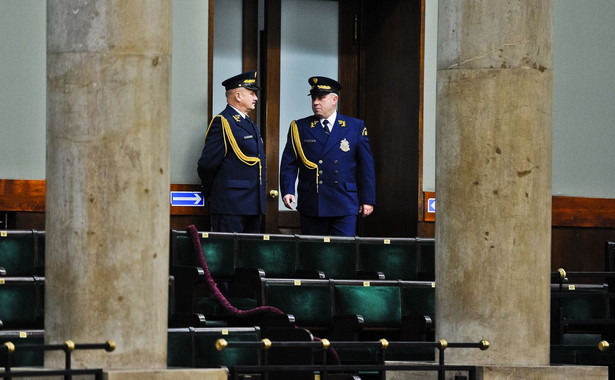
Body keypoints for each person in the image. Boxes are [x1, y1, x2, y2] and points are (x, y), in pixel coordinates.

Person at [280, 76, 376, 236]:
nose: (316, 102)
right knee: (313, 253)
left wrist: (367, 199)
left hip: (344, 202)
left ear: (334, 99)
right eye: (313, 98)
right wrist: (287, 190)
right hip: (312, 201)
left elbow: (366, 165)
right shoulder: (300, 127)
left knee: (342, 253)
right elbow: (289, 163)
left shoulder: (354, 126)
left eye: (321, 98)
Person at [197, 71, 266, 233]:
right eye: (251, 93)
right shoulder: (223, 122)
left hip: (252, 205)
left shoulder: (248, 122)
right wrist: (213, 193)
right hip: (230, 205)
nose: (256, 98)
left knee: (249, 255)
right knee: (228, 256)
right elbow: (207, 164)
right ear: (238, 96)